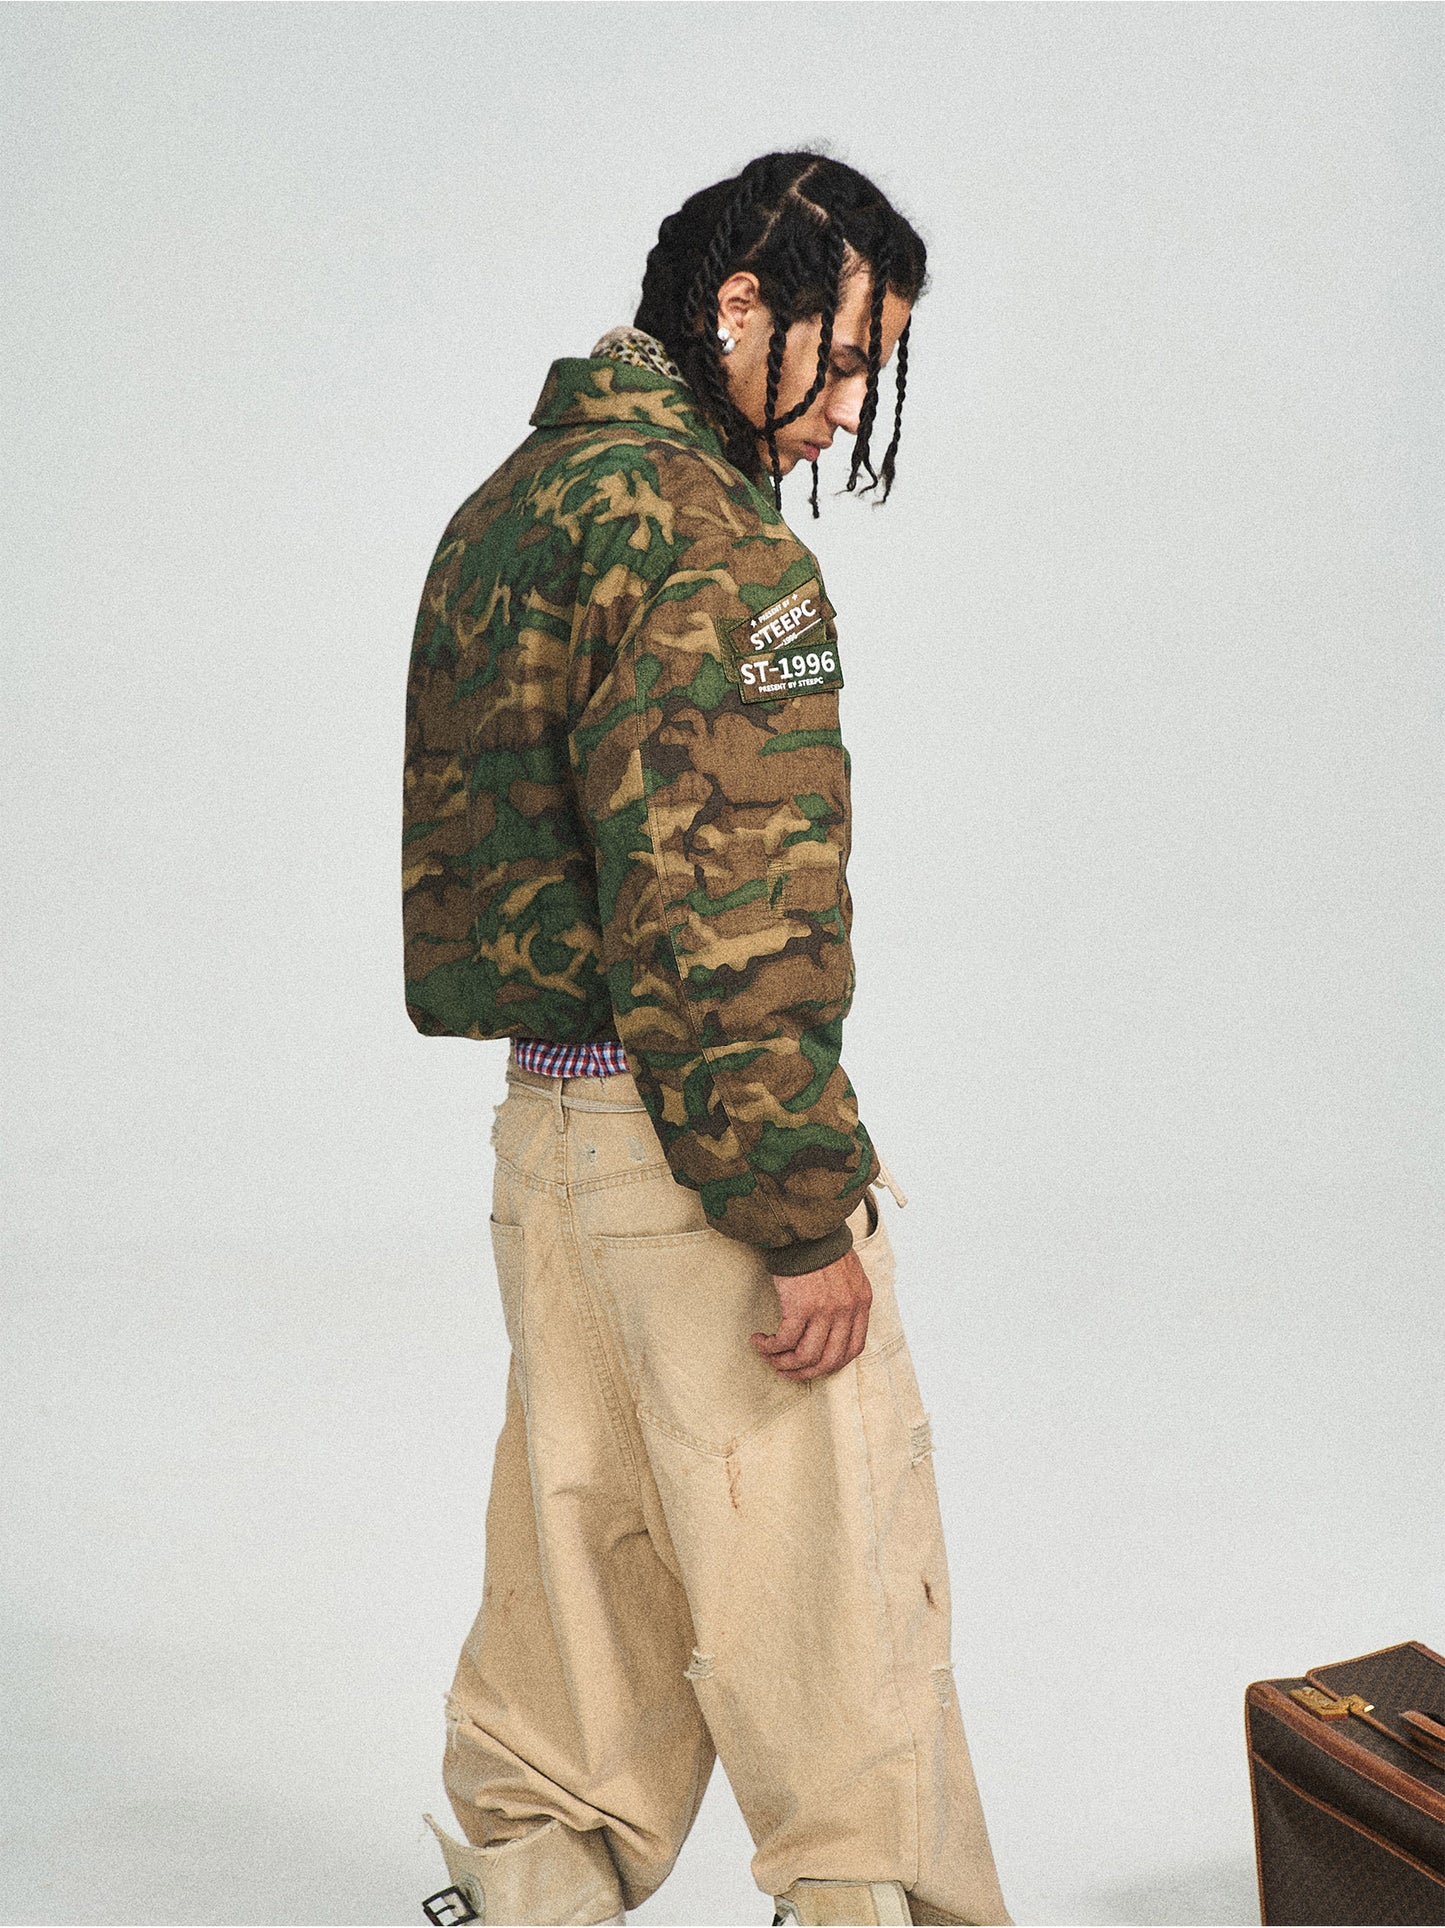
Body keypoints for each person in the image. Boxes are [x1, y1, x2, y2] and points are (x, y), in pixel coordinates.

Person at [403, 150, 1012, 1928]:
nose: (848, 410)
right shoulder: (707, 540)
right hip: (699, 1161)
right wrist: (798, 1213)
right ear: (739, 307)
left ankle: (531, 1892)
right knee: (831, 1604)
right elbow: (715, 913)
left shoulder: (518, 502)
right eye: (844, 356)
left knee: (576, 1590)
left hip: (551, 1152)